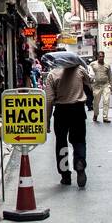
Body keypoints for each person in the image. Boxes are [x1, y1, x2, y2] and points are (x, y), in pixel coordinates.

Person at [43, 50, 92, 189]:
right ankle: (80, 162)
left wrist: (46, 122)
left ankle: (65, 175)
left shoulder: (52, 74)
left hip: (61, 111)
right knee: (79, 141)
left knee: (61, 143)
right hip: (78, 110)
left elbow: (49, 100)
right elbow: (90, 82)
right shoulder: (79, 70)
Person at [90, 52, 112, 123]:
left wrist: (111, 86)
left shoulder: (107, 66)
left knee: (106, 101)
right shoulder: (93, 64)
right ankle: (95, 114)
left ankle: (105, 117)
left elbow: (110, 76)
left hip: (105, 85)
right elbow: (90, 74)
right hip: (96, 86)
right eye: (100, 56)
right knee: (96, 102)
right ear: (97, 57)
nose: (101, 58)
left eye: (102, 56)